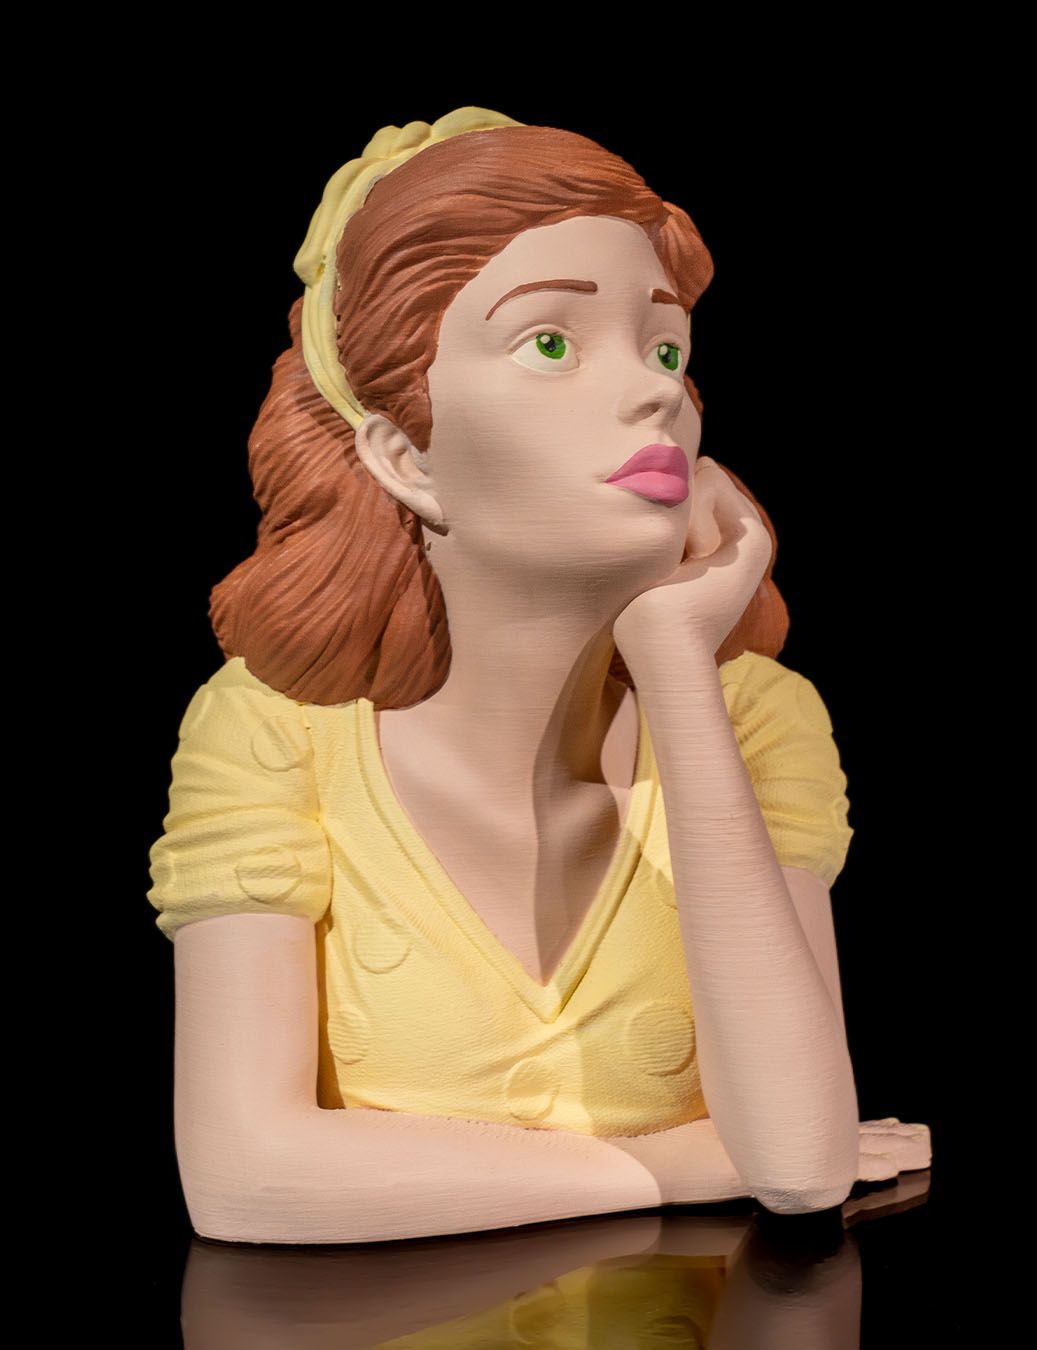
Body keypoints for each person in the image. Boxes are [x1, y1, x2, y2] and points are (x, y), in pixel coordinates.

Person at [147, 106, 931, 1245]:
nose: (656, 393)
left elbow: (801, 1167)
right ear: (406, 456)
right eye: (552, 344)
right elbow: (243, 1179)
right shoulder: (274, 731)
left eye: (667, 350)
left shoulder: (759, 718)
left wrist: (677, 666)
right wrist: (672, 1163)